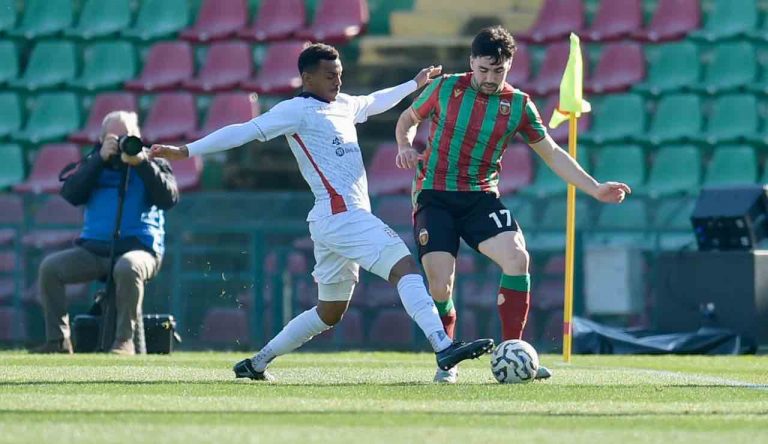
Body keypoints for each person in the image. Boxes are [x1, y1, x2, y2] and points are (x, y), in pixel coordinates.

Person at [150, 43, 494, 382]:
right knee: (404, 267)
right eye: (330, 76)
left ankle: (257, 362)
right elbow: (244, 132)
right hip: (343, 216)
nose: (338, 82)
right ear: (307, 78)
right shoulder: (295, 111)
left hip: (331, 221)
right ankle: (442, 346)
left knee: (330, 312)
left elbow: (374, 101)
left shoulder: (343, 105)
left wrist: (413, 84)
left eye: (340, 74)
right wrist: (187, 150)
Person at [395, 26, 632, 383]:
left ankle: (514, 352)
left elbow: (551, 153)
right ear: (471, 63)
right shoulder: (444, 88)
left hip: (481, 197)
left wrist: (595, 188)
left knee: (517, 257)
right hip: (434, 195)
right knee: (440, 285)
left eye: (498, 71)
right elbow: (407, 120)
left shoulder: (519, 104)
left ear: (509, 66)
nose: (490, 78)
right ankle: (448, 359)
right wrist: (404, 145)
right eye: (484, 70)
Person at [32, 111, 179, 355]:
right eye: (114, 138)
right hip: (94, 250)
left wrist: (142, 163)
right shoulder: (94, 162)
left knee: (127, 267)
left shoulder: (154, 163)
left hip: (141, 250)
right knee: (51, 268)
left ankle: (124, 341)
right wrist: (99, 160)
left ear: (138, 137)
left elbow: (169, 198)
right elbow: (71, 194)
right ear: (101, 139)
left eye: (127, 137)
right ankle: (58, 341)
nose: (121, 142)